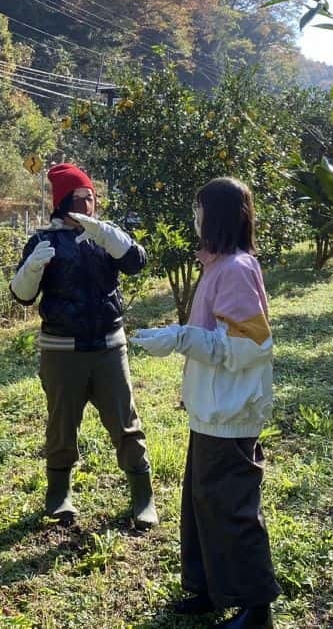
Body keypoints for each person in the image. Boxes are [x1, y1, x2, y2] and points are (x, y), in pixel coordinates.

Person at [132, 176, 280, 629]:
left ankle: (256, 607)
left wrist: (181, 337)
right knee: (201, 506)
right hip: (211, 410)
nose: (194, 219)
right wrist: (183, 336)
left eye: (199, 209)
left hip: (229, 412)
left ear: (215, 215)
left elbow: (249, 346)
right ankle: (208, 589)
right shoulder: (217, 265)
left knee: (231, 509)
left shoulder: (235, 268)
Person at [9, 162, 158, 530]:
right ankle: (59, 494)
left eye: (92, 197)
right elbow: (22, 296)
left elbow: (137, 263)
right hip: (61, 349)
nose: (89, 204)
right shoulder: (43, 241)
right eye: (81, 197)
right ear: (62, 202)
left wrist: (110, 237)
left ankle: (143, 496)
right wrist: (31, 268)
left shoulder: (103, 236)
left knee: (126, 422)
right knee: (62, 425)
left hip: (109, 345)